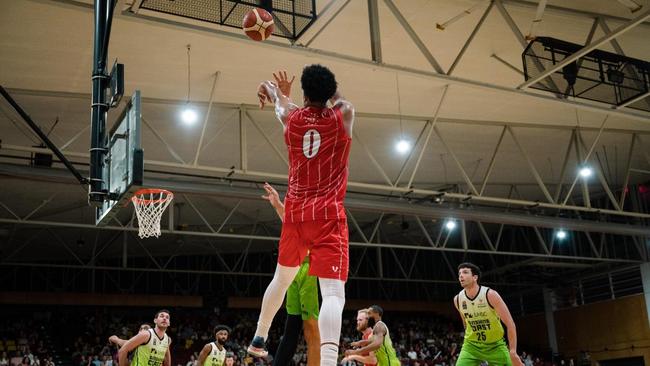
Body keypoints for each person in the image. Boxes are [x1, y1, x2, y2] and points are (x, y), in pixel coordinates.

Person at [247, 65, 354, 366]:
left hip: (296, 213)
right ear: (329, 91)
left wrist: (274, 90)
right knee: (333, 292)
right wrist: (328, 89)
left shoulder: (291, 117)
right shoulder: (342, 116)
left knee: (282, 278)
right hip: (328, 214)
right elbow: (342, 101)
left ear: (305, 93)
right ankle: (330, 361)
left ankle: (259, 336)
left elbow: (276, 98)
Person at [262, 183, 320, 366]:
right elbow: (289, 223)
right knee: (291, 326)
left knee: (311, 326)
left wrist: (280, 205)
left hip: (309, 270)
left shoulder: (316, 214)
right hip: (293, 269)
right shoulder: (297, 218)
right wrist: (277, 204)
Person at [454, 263, 523, 366]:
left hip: (495, 346)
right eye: (459, 273)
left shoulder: (490, 295)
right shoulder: (458, 299)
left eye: (465, 272)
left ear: (475, 277)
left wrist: (513, 351)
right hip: (471, 346)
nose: (461, 276)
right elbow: (466, 324)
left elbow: (510, 324)